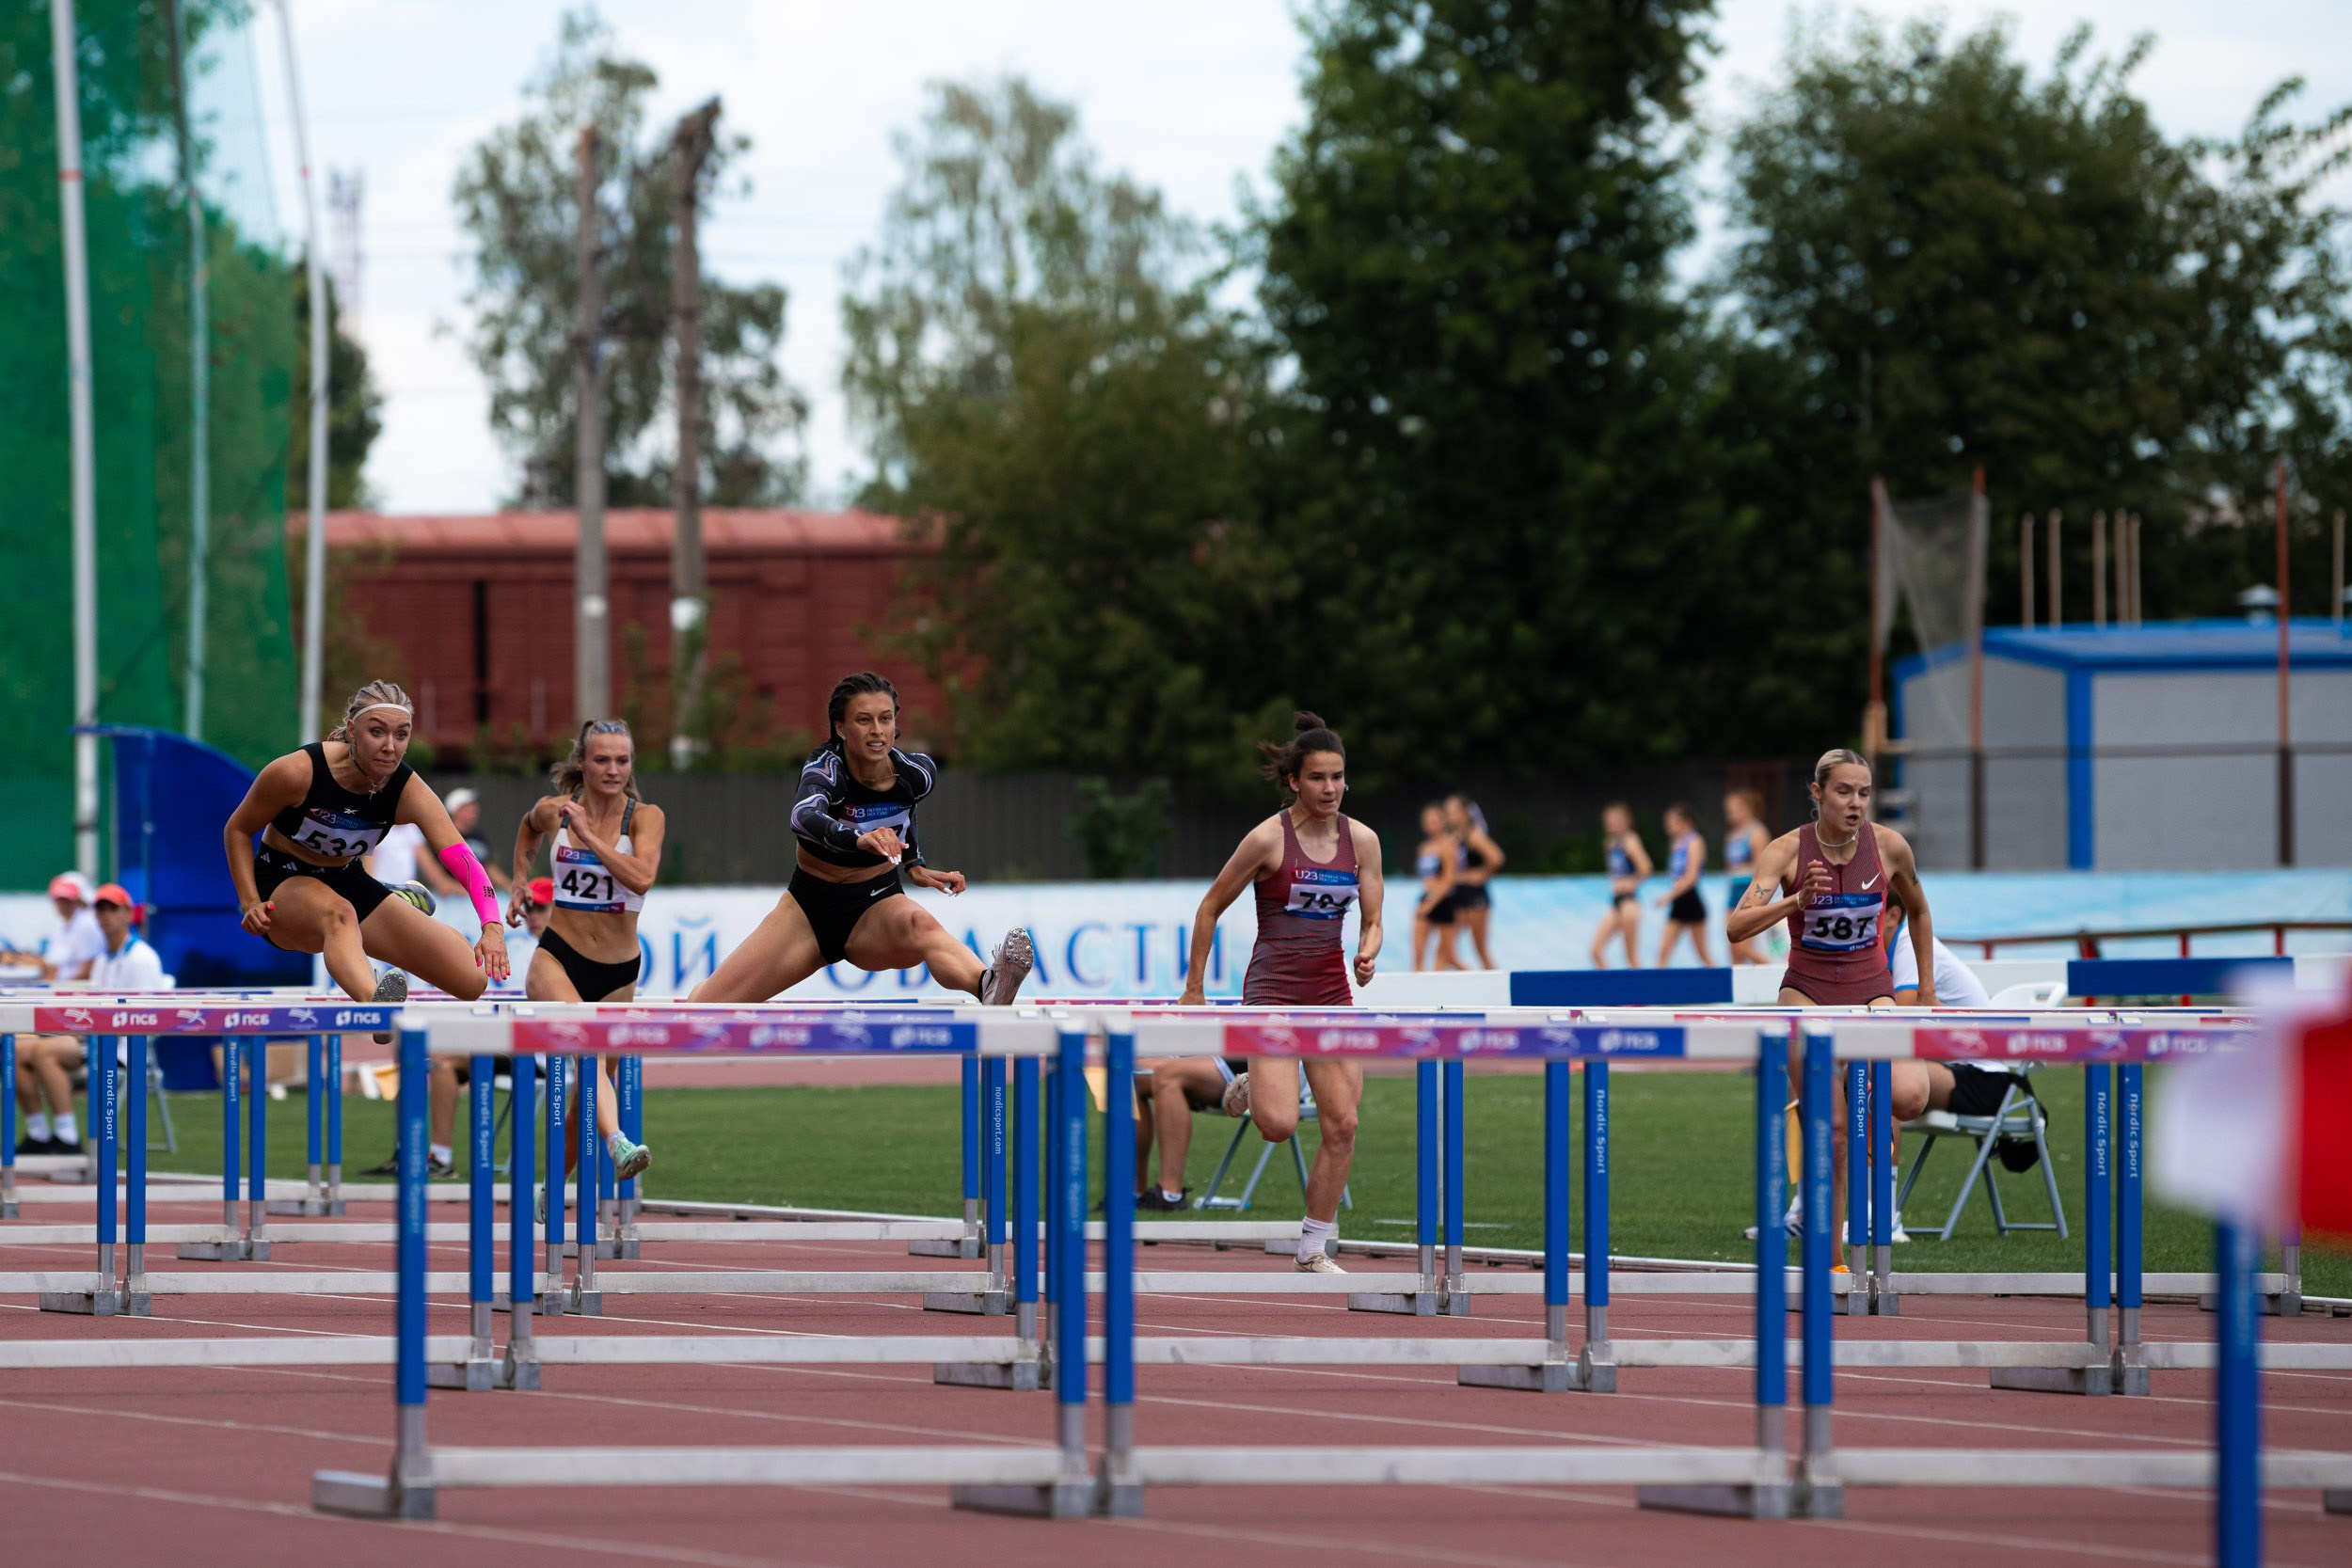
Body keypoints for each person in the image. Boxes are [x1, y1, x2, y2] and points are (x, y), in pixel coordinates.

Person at [1178, 712, 1384, 1275]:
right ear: (1294, 780)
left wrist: (1368, 952)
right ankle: (1245, 1085)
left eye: (1338, 777)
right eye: (1318, 778)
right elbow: (1210, 907)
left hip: (1331, 997)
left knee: (1344, 1124)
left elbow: (1373, 919)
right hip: (1271, 996)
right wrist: (1194, 990)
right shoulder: (1268, 838)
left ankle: (1312, 1248)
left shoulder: (1362, 841)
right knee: (1279, 1124)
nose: (1331, 789)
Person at [690, 673, 1032, 1006]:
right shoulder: (826, 768)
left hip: (875, 905)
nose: (877, 731)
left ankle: (988, 984)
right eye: (863, 720)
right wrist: (859, 838)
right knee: (704, 1008)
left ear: (896, 724)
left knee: (923, 925)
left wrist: (914, 864)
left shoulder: (919, 774)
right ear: (841, 727)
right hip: (808, 912)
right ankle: (703, 993)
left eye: (885, 719)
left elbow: (905, 810)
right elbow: (803, 817)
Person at [223, 679, 508, 1079]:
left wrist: (491, 924)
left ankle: (393, 901)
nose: (390, 746)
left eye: (401, 735)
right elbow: (237, 829)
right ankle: (375, 1006)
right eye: (377, 732)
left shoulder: (406, 789)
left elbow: (462, 858)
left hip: (347, 880)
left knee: (471, 979)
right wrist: (249, 899)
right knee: (338, 914)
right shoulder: (297, 772)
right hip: (283, 881)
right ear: (352, 731)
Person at [1726, 748, 1937, 1233]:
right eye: (1844, 791)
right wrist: (1796, 901)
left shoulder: (1890, 847)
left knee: (1909, 1098)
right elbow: (1737, 927)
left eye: (1864, 793)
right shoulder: (1785, 851)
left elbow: (1920, 911)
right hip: (1806, 991)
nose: (1856, 803)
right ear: (1818, 793)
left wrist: (1925, 990)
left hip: (1871, 991)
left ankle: (1854, 1086)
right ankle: (1832, 1251)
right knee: (1835, 1135)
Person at [510, 719, 661, 1188]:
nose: (612, 769)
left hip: (618, 971)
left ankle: (553, 1186)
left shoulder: (644, 817)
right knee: (587, 1055)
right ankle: (618, 1141)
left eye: (622, 760)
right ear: (582, 762)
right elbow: (527, 827)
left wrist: (590, 837)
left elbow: (641, 878)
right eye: (601, 759)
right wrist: (518, 880)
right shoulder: (556, 809)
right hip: (557, 957)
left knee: (586, 1094)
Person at [12, 884, 167, 1156]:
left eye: (112, 908)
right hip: (96, 1036)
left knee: (44, 1052)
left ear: (128, 914)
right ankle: (39, 1133)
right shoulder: (102, 959)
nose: (105, 915)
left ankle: (67, 1138)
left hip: (124, 1047)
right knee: (15, 1048)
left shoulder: (141, 959)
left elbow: (145, 1018)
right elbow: (93, 1007)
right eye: (100, 909)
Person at [1131, 1055, 1247, 1211]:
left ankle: (1169, 1194)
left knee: (1168, 1074)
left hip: (1251, 1064)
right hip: (1216, 1053)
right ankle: (1132, 1193)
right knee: (1130, 1074)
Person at [1441, 795, 1503, 969]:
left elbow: (1496, 857)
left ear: (1464, 813)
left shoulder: (1473, 835)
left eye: (1453, 811)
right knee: (1447, 951)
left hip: (1476, 897)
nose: (1449, 816)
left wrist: (1482, 874)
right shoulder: (1455, 836)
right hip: (1460, 896)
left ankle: (1495, 989)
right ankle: (1472, 980)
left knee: (1480, 949)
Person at [1589, 802, 1650, 969]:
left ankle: (1644, 993)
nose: (1612, 823)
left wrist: (1632, 882)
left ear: (1627, 821)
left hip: (1630, 902)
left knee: (1630, 956)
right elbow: (1615, 871)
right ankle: (1611, 989)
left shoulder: (1629, 840)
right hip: (1616, 901)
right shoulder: (1610, 842)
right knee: (1595, 950)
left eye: (1617, 820)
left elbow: (1646, 868)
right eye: (1609, 820)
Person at [420, 787, 512, 897]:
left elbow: (488, 867)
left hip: (475, 900)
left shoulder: (478, 837)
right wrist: (471, 894)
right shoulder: (442, 837)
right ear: (456, 810)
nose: (475, 810)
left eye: (474, 806)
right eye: (468, 806)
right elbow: (438, 879)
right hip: (451, 902)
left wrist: (510, 886)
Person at [1653, 802, 1714, 967]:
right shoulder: (1675, 843)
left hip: (1690, 899)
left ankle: (1720, 986)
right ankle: (1658, 990)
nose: (1668, 828)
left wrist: (1668, 896)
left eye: (1671, 823)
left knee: (1702, 954)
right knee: (1663, 951)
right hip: (1679, 900)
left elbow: (1691, 878)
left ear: (1685, 821)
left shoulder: (1694, 842)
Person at [1722, 788, 1772, 964]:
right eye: (1729, 810)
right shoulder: (1732, 835)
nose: (1732, 814)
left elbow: (1763, 867)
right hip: (1734, 890)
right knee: (1733, 948)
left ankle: (1776, 971)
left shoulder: (1757, 832)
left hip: (1749, 890)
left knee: (1744, 949)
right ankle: (1736, 991)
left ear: (1748, 808)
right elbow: (1730, 866)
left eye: (1736, 809)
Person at [1410, 802, 1459, 972]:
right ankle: (1417, 992)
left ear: (1443, 822)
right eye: (1428, 821)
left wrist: (1431, 903)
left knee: (1449, 956)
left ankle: (1481, 983)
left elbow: (1448, 880)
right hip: (1427, 895)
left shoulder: (1448, 846)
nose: (1432, 825)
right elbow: (1426, 879)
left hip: (1443, 900)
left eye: (1435, 821)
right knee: (1418, 951)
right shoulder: (1424, 848)